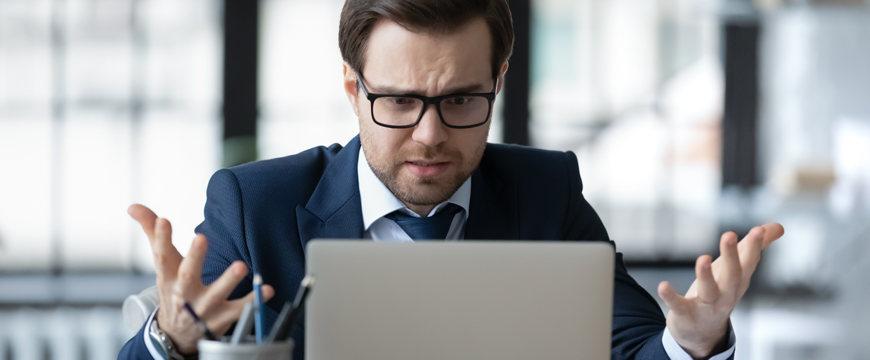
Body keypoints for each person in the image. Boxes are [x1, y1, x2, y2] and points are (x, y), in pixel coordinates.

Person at [118, 0, 785, 359]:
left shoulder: (544, 192)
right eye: (400, 101)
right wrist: (171, 342)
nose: (432, 134)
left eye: (462, 100)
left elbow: (634, 347)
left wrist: (692, 346)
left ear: (497, 83)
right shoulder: (255, 205)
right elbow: (180, 335)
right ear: (354, 88)